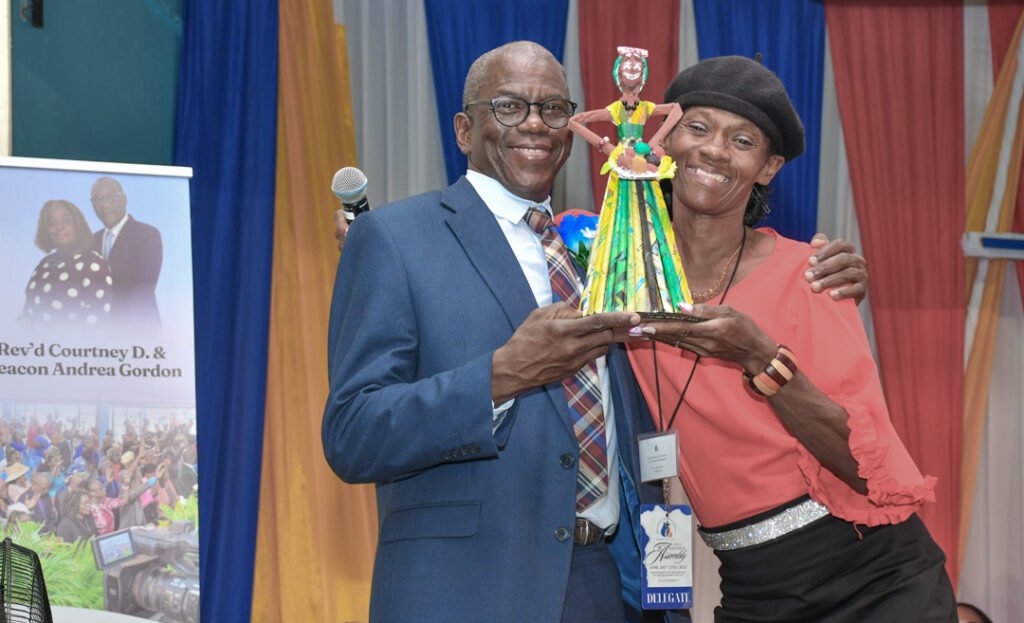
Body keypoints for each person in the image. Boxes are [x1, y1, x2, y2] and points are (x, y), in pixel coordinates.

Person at [323, 42, 869, 623]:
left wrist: (830, 266)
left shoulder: (604, 246)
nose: (535, 124)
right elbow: (353, 434)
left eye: (554, 109)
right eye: (509, 106)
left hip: (611, 582)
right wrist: (501, 376)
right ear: (464, 130)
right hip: (472, 589)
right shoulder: (397, 238)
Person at [628, 56, 956, 621]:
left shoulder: (811, 276)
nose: (714, 151)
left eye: (743, 141)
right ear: (664, 140)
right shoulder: (617, 274)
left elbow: (864, 468)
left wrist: (760, 356)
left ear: (768, 167)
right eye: (698, 128)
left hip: (873, 578)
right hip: (752, 589)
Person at [568, 46, 686, 314]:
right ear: (618, 73)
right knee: (620, 220)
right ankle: (615, 294)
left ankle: (659, 295)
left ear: (643, 75)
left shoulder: (645, 107)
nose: (632, 67)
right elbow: (574, 121)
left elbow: (677, 109)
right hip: (623, 167)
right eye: (627, 63)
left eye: (637, 64)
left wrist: (653, 142)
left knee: (652, 219)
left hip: (643, 166)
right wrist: (608, 148)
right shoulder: (615, 109)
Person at [21, 199, 113, 328]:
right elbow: (27, 313)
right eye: (52, 223)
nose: (59, 227)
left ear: (78, 226)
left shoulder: (93, 265)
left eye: (66, 221)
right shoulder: (44, 264)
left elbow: (96, 324)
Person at [90, 176, 163, 328]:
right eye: (97, 200)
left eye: (112, 197)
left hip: (137, 331)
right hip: (97, 334)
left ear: (124, 200)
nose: (105, 204)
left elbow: (142, 288)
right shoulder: (90, 242)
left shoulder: (146, 234)